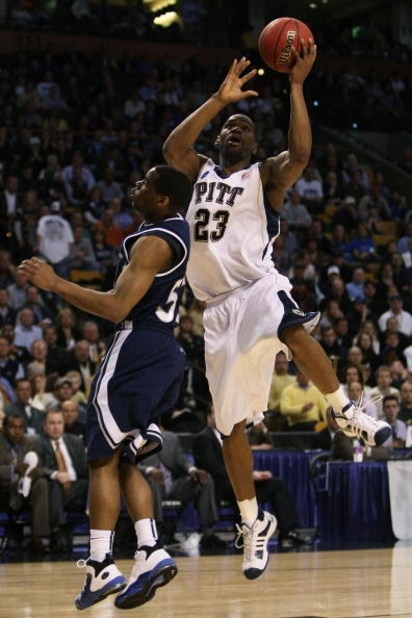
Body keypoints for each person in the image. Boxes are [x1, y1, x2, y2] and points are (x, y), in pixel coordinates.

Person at [162, 53, 391, 579]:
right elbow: (173, 147)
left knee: (290, 325)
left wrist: (295, 87)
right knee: (229, 427)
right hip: (216, 311)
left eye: (244, 127)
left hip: (258, 286)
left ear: (256, 146)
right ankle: (252, 523)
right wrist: (219, 100)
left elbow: (302, 154)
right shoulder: (197, 171)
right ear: (219, 141)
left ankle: (346, 410)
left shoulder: (264, 177)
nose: (236, 131)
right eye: (229, 128)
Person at [18, 164, 193, 610]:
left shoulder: (155, 240)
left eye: (145, 183)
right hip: (166, 351)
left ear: (162, 200)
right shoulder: (173, 233)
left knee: (99, 458)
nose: (135, 184)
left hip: (136, 344)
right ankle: (150, 549)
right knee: (124, 457)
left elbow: (117, 307)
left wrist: (55, 283)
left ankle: (100, 565)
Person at [193, 408, 311, 549]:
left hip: (239, 482)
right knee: (242, 489)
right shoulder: (203, 438)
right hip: (220, 486)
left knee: (276, 485)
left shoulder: (232, 435)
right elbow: (213, 467)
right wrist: (246, 477)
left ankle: (288, 533)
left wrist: (253, 475)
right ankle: (245, 534)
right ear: (209, 417)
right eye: (216, 413)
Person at [139, 426, 223, 549]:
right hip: (149, 486)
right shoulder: (137, 439)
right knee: (153, 480)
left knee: (205, 478)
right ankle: (155, 534)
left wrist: (192, 470)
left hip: (174, 485)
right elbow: (131, 465)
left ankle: (207, 531)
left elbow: (181, 460)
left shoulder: (171, 438)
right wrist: (149, 470)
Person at [37, 408, 88, 553]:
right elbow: (37, 468)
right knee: (54, 485)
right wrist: (55, 474)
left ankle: (102, 532)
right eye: (51, 423)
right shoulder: (39, 443)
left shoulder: (75, 441)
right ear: (44, 425)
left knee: (94, 485)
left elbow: (84, 469)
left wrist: (70, 476)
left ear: (64, 424)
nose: (55, 427)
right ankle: (58, 533)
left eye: (59, 423)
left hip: (77, 485)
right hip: (54, 488)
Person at [0, 412, 50, 553]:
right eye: (12, 427)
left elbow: (42, 468)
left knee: (41, 483)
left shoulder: (31, 442)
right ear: (4, 428)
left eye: (20, 427)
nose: (17, 431)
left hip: (25, 490)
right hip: (4, 493)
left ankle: (38, 538)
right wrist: (13, 469)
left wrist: (33, 471)